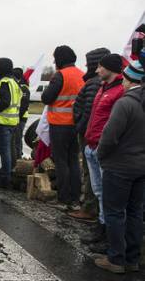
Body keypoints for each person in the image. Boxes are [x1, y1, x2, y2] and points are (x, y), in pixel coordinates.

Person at [94, 61, 145, 274]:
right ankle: (132, 259)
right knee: (135, 212)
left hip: (119, 167)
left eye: (124, 78)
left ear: (128, 79)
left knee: (114, 213)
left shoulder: (125, 104)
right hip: (141, 167)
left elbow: (109, 136)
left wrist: (101, 155)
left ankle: (115, 259)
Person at [73, 53, 124, 253]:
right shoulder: (103, 88)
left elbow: (115, 124)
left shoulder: (119, 91)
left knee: (109, 196)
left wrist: (104, 145)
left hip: (104, 150)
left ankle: (110, 237)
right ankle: (101, 229)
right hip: (91, 147)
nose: (96, 70)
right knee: (100, 193)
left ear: (110, 68)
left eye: (100, 67)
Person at [69, 47, 110, 223]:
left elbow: (89, 111)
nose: (85, 65)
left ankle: (90, 208)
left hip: (89, 135)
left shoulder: (94, 83)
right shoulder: (95, 82)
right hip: (89, 132)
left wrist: (80, 127)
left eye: (89, 62)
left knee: (90, 173)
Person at [41, 45, 85, 210]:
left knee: (61, 162)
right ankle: (75, 198)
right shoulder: (82, 74)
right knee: (73, 160)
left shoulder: (60, 75)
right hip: (76, 124)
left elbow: (46, 98)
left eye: (55, 58)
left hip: (60, 124)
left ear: (60, 59)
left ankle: (63, 198)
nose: (53, 62)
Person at [0, 58, 22, 188]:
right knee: (10, 150)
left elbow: (5, 102)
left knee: (4, 152)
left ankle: (5, 179)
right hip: (13, 121)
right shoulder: (14, 82)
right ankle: (10, 175)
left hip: (3, 121)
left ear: (3, 68)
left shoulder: (4, 82)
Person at [11, 68, 31, 166]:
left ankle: (18, 158)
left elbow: (24, 104)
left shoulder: (23, 88)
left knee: (17, 139)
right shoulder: (18, 86)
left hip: (21, 117)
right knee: (16, 139)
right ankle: (18, 155)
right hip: (17, 117)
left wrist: (17, 117)